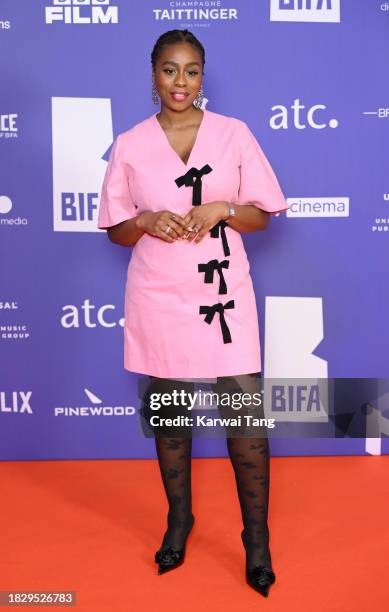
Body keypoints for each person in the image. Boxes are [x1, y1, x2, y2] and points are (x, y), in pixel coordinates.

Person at [97, 29, 289, 597]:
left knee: (246, 422)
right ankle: (179, 520)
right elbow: (114, 230)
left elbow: (263, 216)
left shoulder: (234, 135)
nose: (181, 82)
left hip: (225, 293)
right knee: (172, 420)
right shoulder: (130, 143)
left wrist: (224, 208)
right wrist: (147, 221)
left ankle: (257, 542)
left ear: (204, 76)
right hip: (160, 293)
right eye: (170, 70)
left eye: (192, 71)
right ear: (152, 73)